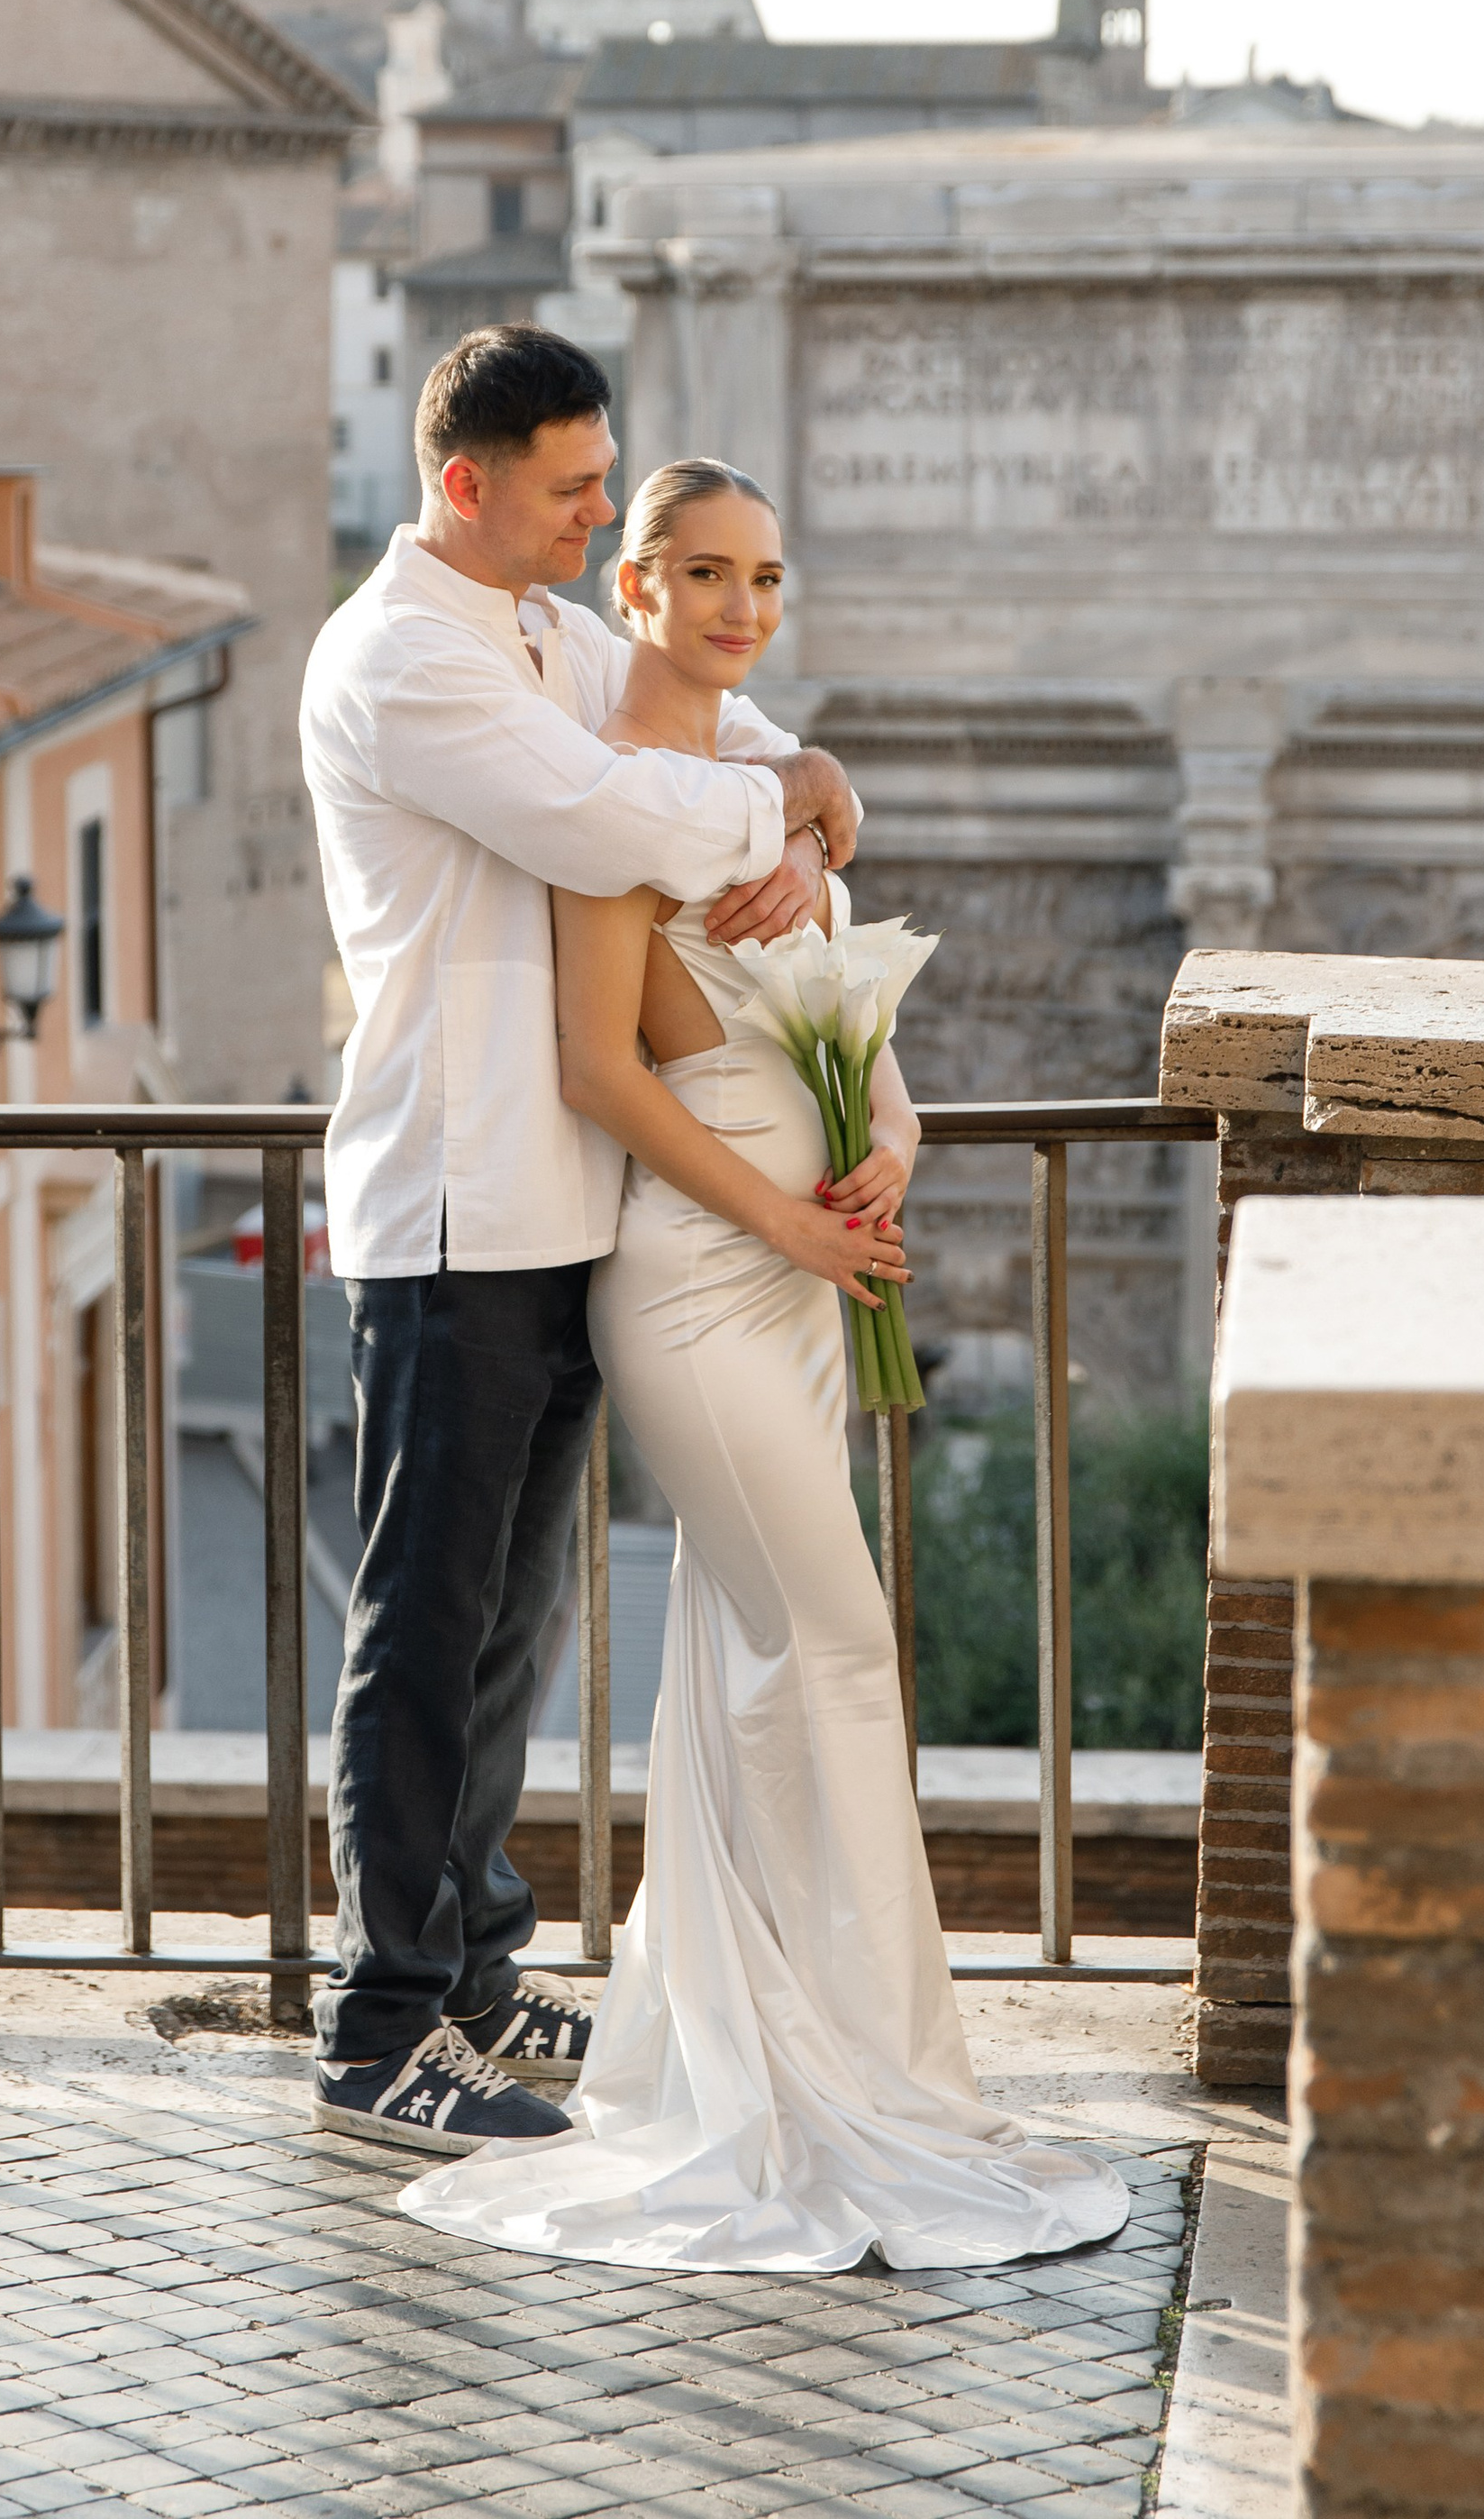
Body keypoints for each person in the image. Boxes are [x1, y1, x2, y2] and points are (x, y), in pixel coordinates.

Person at [400, 460, 1126, 2270]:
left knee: (748, 1670)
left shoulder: (767, 785)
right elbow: (600, 1071)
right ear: (629, 588)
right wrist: (791, 1222)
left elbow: (847, 1030)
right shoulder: (604, 801)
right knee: (838, 1645)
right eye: (701, 575)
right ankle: (865, 2084)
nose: (738, 607)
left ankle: (777, 2067)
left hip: (810, 1280)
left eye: (765, 578)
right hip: (707, 1287)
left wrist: (892, 1151)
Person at [300, 330, 866, 2153]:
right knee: (424, 1621)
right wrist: (764, 797)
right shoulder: (402, 661)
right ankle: (379, 2034)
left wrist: (812, 772)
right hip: (455, 1200)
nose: (599, 514)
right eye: (567, 489)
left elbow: (716, 721)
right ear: (462, 486)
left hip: (570, 1202)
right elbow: (609, 808)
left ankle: (472, 1969)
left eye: (604, 481)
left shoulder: (545, 628)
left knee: (513, 1628)